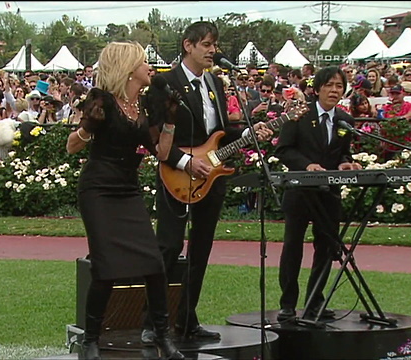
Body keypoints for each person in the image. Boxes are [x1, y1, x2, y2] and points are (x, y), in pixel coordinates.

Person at [141, 21, 273, 343]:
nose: (214, 51)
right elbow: (153, 137)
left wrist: (246, 134)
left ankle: (187, 319)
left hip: (211, 177)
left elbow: (219, 133)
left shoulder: (216, 82)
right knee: (169, 246)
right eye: (207, 45)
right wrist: (186, 161)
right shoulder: (163, 83)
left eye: (214, 45)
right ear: (188, 45)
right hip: (177, 173)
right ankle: (151, 321)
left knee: (201, 250)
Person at [65, 41, 184, 360]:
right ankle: (91, 339)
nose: (150, 68)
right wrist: (89, 126)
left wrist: (170, 120)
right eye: (145, 62)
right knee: (106, 267)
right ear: (129, 68)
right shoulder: (101, 100)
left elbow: (161, 152)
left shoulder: (144, 107)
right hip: (99, 189)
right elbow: (72, 146)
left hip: (128, 189)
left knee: (154, 265)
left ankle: (163, 337)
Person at [274, 66, 362, 322]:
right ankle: (288, 303)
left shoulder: (346, 120)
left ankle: (315, 301)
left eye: (339, 86)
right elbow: (283, 150)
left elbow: (343, 152)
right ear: (318, 88)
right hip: (300, 192)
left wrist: (347, 162)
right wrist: (306, 165)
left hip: (329, 194)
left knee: (325, 248)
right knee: (293, 246)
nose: (334, 91)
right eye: (330, 85)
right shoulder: (299, 115)